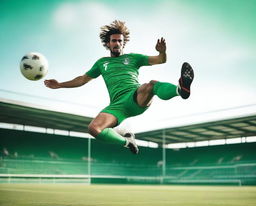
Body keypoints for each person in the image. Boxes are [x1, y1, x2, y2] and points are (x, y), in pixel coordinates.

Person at [44, 20, 194, 155]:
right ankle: (128, 142)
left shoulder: (134, 58)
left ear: (123, 43)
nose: (116, 43)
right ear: (108, 43)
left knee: (151, 85)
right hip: (117, 106)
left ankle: (180, 90)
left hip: (135, 95)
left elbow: (161, 60)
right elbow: (83, 79)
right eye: (113, 41)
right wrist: (59, 85)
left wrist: (162, 52)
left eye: (119, 41)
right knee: (93, 129)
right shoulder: (101, 63)